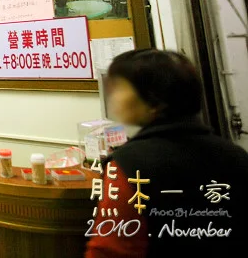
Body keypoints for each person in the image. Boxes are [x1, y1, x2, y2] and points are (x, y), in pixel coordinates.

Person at [86, 50, 248, 257]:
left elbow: (110, 250)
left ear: (155, 102)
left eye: (119, 88)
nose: (113, 96)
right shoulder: (236, 156)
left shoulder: (128, 165)